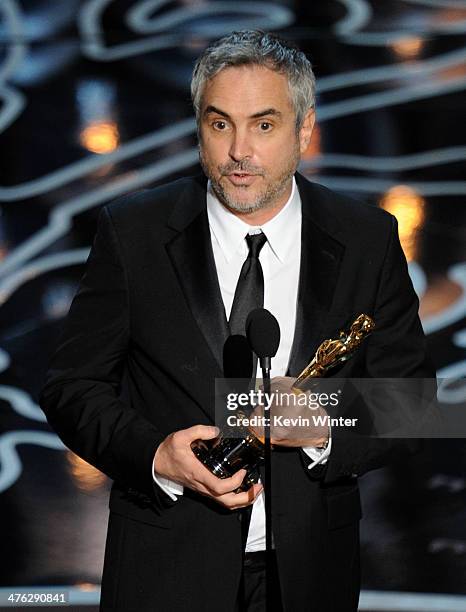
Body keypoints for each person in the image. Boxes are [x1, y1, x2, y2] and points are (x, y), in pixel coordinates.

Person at [39, 30, 435, 611]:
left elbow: (417, 404)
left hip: (311, 572)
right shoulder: (135, 232)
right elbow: (71, 386)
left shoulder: (365, 237)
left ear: (304, 129)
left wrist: (323, 424)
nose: (239, 152)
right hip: (166, 564)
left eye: (264, 125)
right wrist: (155, 454)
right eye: (220, 123)